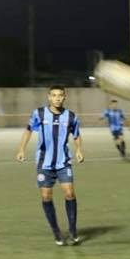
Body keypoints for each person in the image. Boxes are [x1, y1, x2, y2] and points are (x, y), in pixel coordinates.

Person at [15, 86, 85, 245]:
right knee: (46, 196)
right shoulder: (39, 113)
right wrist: (21, 149)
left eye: (60, 95)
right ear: (49, 97)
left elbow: (77, 135)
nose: (57, 98)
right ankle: (56, 232)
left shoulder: (71, 116)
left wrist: (79, 150)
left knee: (70, 194)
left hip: (63, 162)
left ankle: (73, 230)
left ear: (65, 97)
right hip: (44, 163)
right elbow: (28, 130)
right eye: (54, 95)